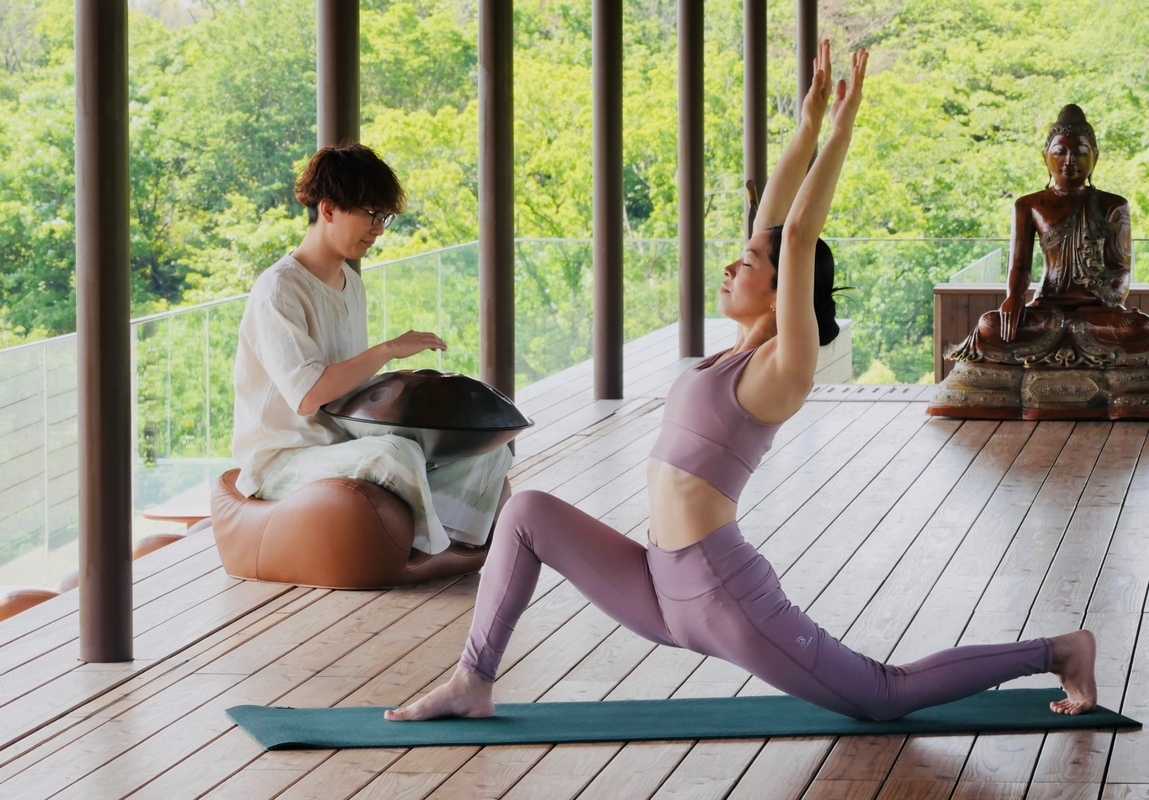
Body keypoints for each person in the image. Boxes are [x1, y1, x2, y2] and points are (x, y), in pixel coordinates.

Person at [384, 44, 1097, 723]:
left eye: (749, 261)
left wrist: (844, 126)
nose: (732, 264)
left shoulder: (787, 363)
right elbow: (776, 219)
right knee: (528, 511)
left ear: (784, 285)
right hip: (656, 583)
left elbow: (794, 232)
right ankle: (472, 680)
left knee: (882, 694)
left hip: (720, 593)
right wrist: (809, 119)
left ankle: (1059, 650)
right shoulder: (733, 350)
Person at [232, 143, 511, 555]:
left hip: (344, 446)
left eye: (385, 217)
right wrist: (389, 350)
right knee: (395, 454)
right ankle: (424, 551)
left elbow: (347, 387)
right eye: (370, 214)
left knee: (488, 452)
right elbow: (308, 395)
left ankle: (458, 553)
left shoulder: (351, 283)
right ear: (328, 209)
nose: (379, 228)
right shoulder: (279, 288)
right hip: (284, 461)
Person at [946, 104, 1145, 368]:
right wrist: (1014, 299)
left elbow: (1122, 270)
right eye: (1060, 152)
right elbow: (1020, 265)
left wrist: (1106, 299)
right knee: (990, 324)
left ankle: (1063, 343)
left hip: (1096, 312)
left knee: (1137, 326)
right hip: (1047, 309)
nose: (1070, 161)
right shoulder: (1029, 205)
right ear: (1045, 157)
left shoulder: (1114, 204)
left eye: (1080, 153)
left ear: (1094, 157)